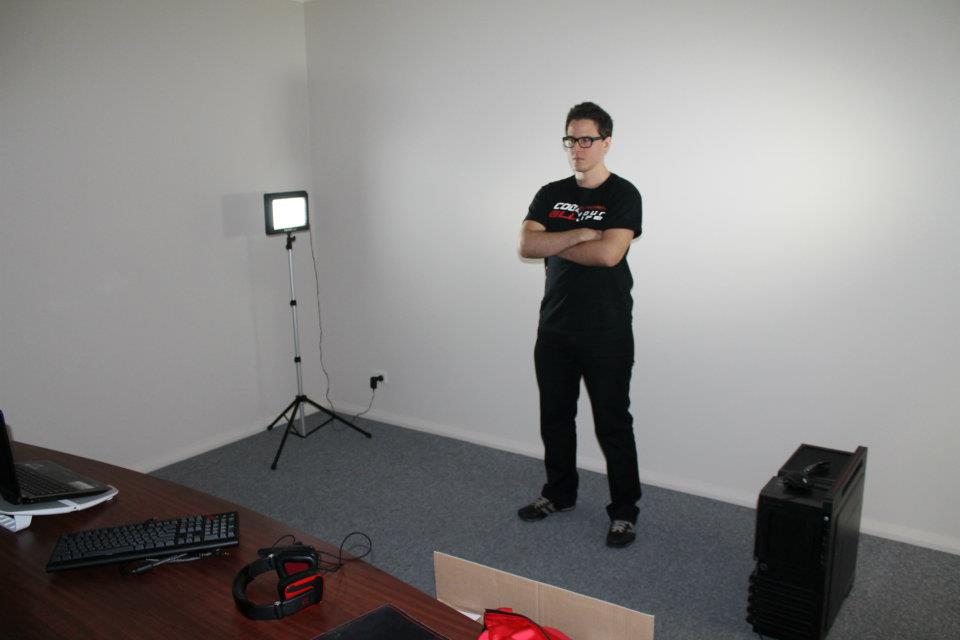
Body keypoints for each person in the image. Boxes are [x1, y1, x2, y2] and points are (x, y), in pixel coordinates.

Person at [517, 102, 643, 548]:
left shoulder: (623, 194)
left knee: (613, 423)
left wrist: (553, 241)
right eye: (571, 139)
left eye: (587, 139)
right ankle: (559, 494)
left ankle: (624, 511)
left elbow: (610, 255)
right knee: (555, 417)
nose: (578, 147)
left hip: (606, 330)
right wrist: (580, 234)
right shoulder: (551, 193)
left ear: (606, 142)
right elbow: (527, 245)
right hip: (554, 328)